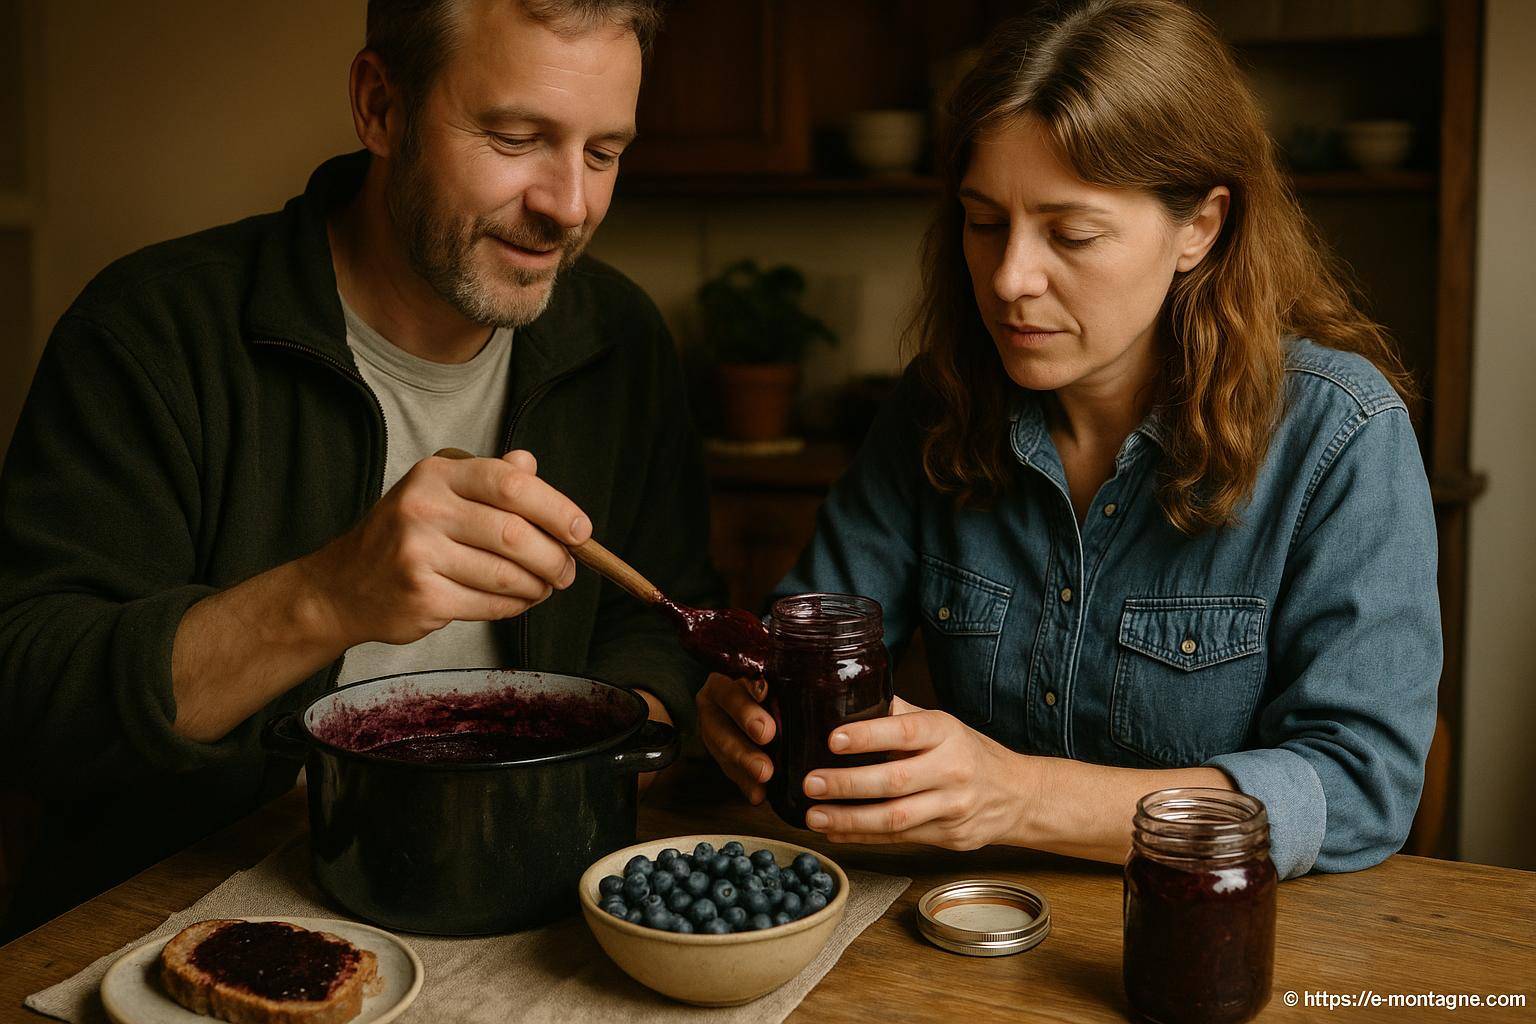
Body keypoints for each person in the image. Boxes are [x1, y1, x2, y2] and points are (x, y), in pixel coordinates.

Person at [0, 0, 716, 937]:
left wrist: (610, 744)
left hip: (529, 910)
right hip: (185, 922)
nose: (567, 207)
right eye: (513, 137)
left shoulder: (619, 339)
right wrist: (328, 595)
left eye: (603, 153)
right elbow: (26, 700)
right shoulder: (152, 330)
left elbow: (665, 623)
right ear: (380, 106)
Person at [697, 0, 1440, 880]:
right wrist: (749, 697)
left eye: (1072, 232)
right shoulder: (935, 408)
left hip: (1221, 948)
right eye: (983, 222)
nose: (1010, 278)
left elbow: (1361, 788)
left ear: (1199, 227)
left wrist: (1022, 796)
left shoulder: (1340, 434)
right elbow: (814, 637)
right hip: (969, 927)